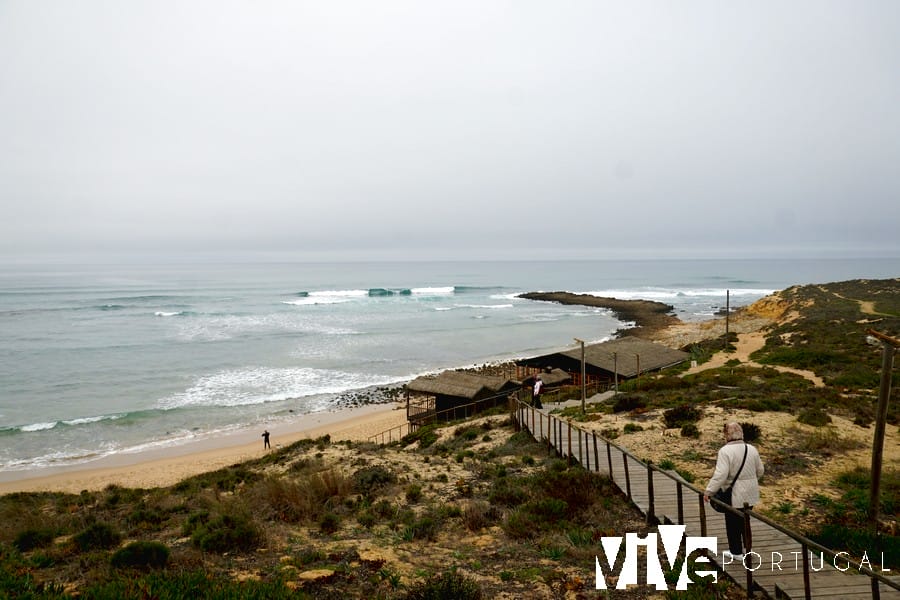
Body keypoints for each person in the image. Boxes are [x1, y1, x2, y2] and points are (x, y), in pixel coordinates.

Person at [704, 422, 764, 561]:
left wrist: (709, 491)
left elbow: (721, 475)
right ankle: (747, 549)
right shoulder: (751, 449)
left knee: (732, 522)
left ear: (727, 435)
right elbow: (760, 470)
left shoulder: (725, 451)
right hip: (751, 492)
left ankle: (736, 551)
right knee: (745, 520)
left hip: (734, 493)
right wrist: (750, 481)